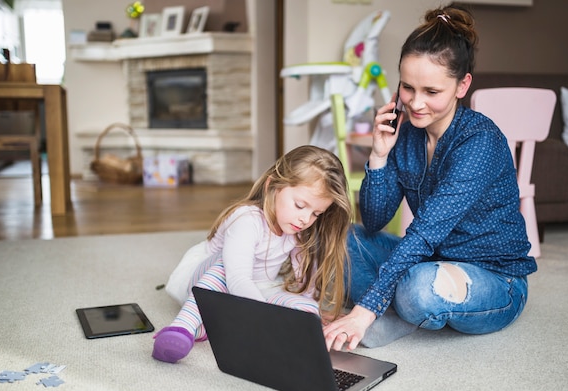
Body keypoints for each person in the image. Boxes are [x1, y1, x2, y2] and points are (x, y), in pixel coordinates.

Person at [323, 4, 537, 351]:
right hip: (429, 260)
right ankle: (394, 309)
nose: (416, 103)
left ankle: (387, 310)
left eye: (431, 92)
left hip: (496, 277)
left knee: (418, 289)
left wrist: (365, 308)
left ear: (462, 85)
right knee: (343, 238)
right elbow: (376, 221)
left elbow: (424, 233)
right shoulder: (405, 134)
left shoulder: (479, 142)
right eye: (407, 88)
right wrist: (378, 155)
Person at [153, 145, 352, 363]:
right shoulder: (246, 220)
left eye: (316, 213)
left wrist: (314, 314)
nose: (306, 219)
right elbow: (237, 279)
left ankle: (209, 328)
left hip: (252, 292)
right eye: (300, 205)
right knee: (223, 267)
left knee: (307, 310)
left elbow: (305, 284)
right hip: (207, 284)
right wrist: (266, 318)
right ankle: (183, 327)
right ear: (272, 186)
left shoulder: (297, 229)